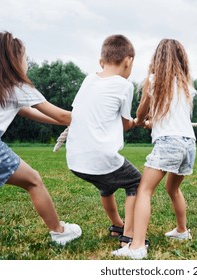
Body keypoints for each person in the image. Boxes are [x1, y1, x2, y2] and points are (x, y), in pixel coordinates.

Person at [0, 31, 81, 245]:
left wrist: (65, 122)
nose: (26, 63)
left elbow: (27, 111)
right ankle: (59, 231)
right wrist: (93, 119)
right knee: (34, 181)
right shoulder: (18, 86)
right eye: (25, 58)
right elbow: (62, 114)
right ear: (13, 60)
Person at [112, 39, 196, 259]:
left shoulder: (154, 80)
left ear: (157, 58)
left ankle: (137, 246)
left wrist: (140, 120)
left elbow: (142, 110)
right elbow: (173, 115)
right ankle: (181, 231)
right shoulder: (187, 85)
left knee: (143, 190)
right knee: (172, 189)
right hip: (188, 143)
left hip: (169, 142)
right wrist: (153, 122)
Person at [65, 34, 142, 246]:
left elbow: (82, 110)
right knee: (137, 182)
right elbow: (126, 124)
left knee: (106, 186)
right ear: (129, 61)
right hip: (101, 157)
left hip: (76, 160)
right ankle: (128, 233)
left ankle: (117, 224)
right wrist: (136, 122)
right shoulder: (124, 85)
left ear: (101, 61)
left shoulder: (88, 79)